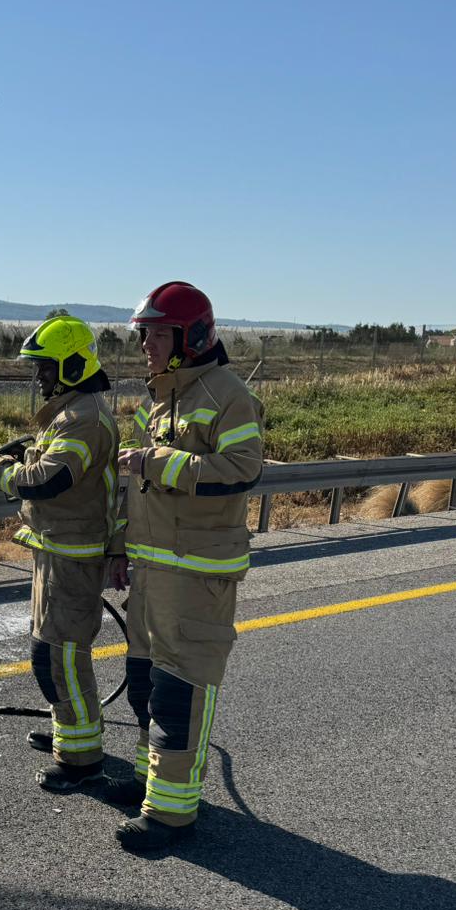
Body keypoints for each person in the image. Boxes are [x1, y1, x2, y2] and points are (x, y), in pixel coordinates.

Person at [109, 281, 264, 850]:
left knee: (180, 693)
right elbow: (139, 489)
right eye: (143, 335)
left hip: (197, 574)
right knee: (144, 686)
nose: (145, 345)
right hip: (153, 574)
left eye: (156, 335)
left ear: (190, 337)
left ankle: (172, 814)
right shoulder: (160, 398)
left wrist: (157, 460)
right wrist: (120, 547)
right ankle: (151, 781)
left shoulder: (228, 396)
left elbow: (242, 468)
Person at [0, 315, 125, 793]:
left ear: (73, 367)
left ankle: (82, 761)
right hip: (56, 551)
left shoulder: (84, 419)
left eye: (45, 367)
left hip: (73, 558)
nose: (38, 377)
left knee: (61, 658)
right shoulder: (70, 412)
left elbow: (46, 481)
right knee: (49, 654)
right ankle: (70, 736)